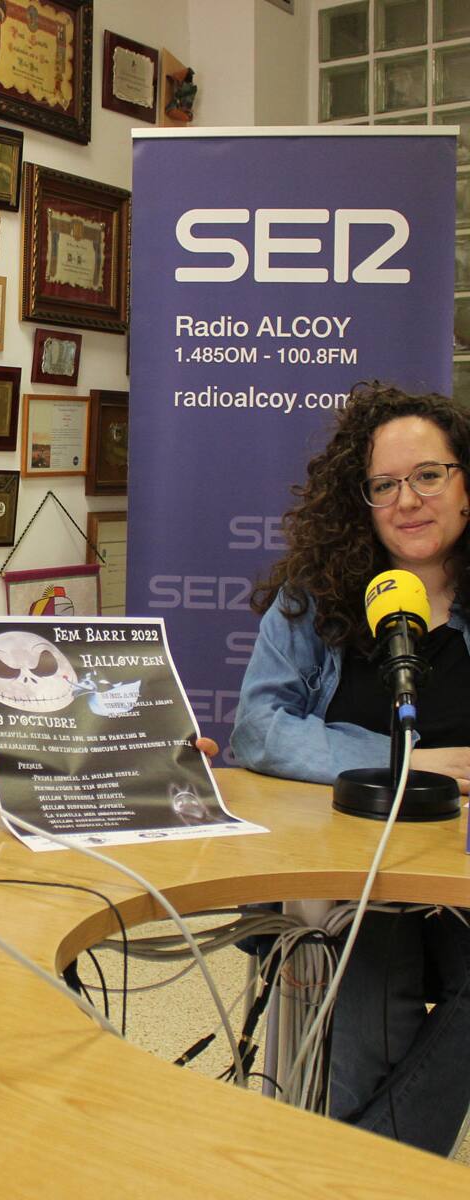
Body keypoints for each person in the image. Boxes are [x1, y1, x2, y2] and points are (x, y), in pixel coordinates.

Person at [230, 383, 470, 1156]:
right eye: (384, 485)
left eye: (429, 475)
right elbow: (258, 729)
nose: (408, 499)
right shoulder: (313, 599)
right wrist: (406, 761)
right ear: (359, 501)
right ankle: (377, 1172)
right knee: (370, 972)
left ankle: (351, 1167)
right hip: (350, 873)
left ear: (465, 480)